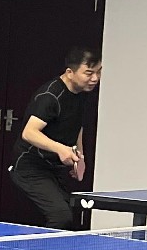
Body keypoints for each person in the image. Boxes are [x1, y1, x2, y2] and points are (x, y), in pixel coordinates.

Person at [10, 46, 102, 229]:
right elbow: (29, 132)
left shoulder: (81, 93)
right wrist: (61, 149)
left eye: (99, 72)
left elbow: (77, 125)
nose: (95, 78)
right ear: (70, 72)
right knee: (61, 216)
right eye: (89, 73)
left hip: (53, 168)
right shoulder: (50, 96)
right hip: (30, 166)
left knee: (72, 214)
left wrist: (80, 156)